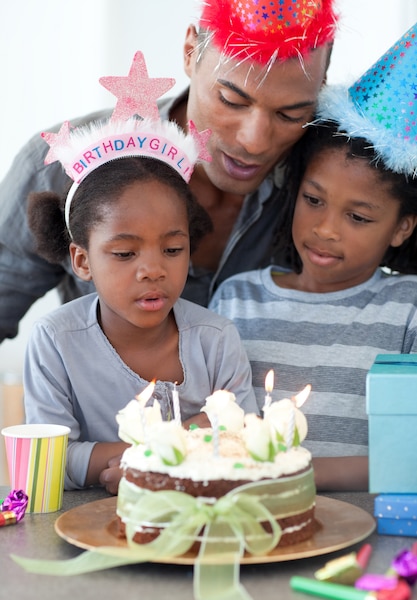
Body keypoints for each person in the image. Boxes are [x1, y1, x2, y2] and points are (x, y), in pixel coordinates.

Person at [0, 0, 338, 342]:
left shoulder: (337, 181)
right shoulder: (59, 166)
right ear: (191, 52)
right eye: (231, 101)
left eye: (290, 115)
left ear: (321, 86)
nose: (254, 142)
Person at [24, 52, 259, 495]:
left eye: (173, 249)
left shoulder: (216, 338)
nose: (153, 269)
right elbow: (50, 452)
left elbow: (243, 435)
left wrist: (139, 458)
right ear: (82, 261)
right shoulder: (54, 340)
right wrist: (172, 445)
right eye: (125, 253)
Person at [209, 23, 417, 492]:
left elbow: (407, 457)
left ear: (402, 227)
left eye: (359, 217)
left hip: (366, 526)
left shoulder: (407, 308)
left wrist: (286, 475)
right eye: (314, 200)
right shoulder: (237, 299)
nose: (325, 229)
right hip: (248, 516)